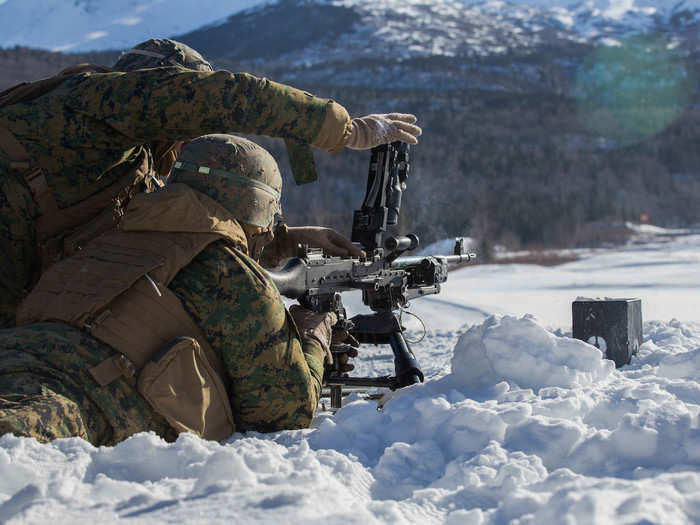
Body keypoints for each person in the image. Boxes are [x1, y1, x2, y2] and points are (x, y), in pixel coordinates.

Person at [0, 38, 422, 327]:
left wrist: (284, 242)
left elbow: (155, 243)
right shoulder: (98, 101)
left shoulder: (103, 154)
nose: (185, 145)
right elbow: (231, 95)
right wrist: (344, 131)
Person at [0, 134, 358, 445]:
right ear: (258, 205)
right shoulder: (233, 275)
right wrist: (313, 337)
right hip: (74, 401)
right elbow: (284, 412)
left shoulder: (112, 233)